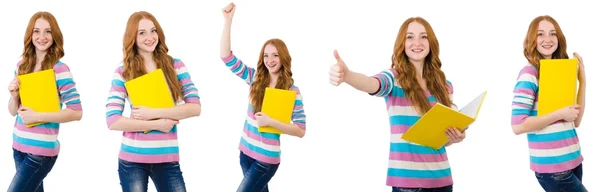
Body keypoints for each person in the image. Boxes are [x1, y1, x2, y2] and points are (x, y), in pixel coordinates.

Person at [329, 17, 465, 192]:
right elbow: (372, 84)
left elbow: (440, 138)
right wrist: (347, 76)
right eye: (410, 37)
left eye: (423, 37)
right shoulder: (394, 78)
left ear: (431, 42)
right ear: (402, 43)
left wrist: (454, 137)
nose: (417, 42)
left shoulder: (444, 85)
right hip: (407, 184)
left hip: (442, 180)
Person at [104, 11, 201, 192]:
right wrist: (157, 124)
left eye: (153, 31)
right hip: (132, 159)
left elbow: (195, 107)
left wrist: (155, 114)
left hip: (167, 158)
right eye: (142, 33)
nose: (150, 37)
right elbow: (112, 120)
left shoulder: (176, 65)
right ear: (132, 37)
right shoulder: (123, 71)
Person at [220, 3, 307, 192]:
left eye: (275, 55)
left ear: (283, 58)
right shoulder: (254, 79)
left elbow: (300, 130)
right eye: (266, 55)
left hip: (266, 159)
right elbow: (226, 57)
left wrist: (271, 122)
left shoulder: (292, 91)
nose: (270, 60)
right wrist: (228, 21)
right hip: (245, 153)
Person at [7, 11, 83, 192]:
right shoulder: (22, 65)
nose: (42, 37)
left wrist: (37, 116)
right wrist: (14, 95)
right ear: (30, 35)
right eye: (36, 31)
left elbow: (76, 112)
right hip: (18, 146)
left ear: (54, 35)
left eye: (48, 31)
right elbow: (12, 111)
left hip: (40, 152)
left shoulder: (60, 69)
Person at [510, 15, 587, 192]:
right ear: (532, 40)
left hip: (574, 160)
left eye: (553, 34)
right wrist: (560, 114)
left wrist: (582, 81)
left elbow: (575, 121)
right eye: (540, 34)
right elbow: (517, 126)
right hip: (554, 168)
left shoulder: (561, 70)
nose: (548, 39)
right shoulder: (530, 73)